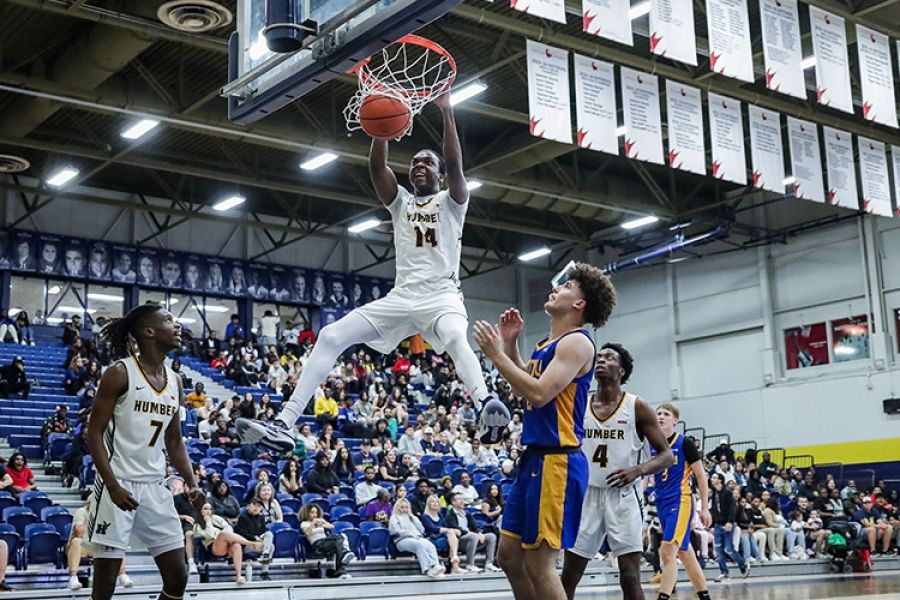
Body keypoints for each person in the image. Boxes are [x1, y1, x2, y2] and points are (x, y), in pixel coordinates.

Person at [237, 94, 510, 452]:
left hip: (441, 296)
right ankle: (284, 423)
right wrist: (382, 128)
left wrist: (446, 111)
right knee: (331, 335)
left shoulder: (452, 202)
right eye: (413, 162)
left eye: (427, 163)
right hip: (401, 297)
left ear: (440, 175)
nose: (418, 166)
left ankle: (486, 403)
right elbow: (377, 170)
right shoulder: (401, 202)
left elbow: (456, 166)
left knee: (458, 338)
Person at [472, 263, 615, 600]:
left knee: (539, 564)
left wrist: (495, 356)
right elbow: (526, 387)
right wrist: (510, 345)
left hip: (558, 463)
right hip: (535, 459)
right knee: (509, 557)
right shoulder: (548, 343)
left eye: (566, 286)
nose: (556, 288)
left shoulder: (578, 343)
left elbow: (538, 392)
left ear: (579, 304)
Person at [84, 304, 205, 600]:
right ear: (148, 332)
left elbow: (174, 441)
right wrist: (111, 485)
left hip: (155, 486)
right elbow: (93, 433)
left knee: (178, 576)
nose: (177, 326)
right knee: (105, 587)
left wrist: (191, 482)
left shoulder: (175, 380)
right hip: (118, 483)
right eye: (169, 320)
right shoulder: (119, 372)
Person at [560, 344, 674, 600]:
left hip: (624, 497)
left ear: (621, 370)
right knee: (569, 574)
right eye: (598, 356)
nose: (600, 359)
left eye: (608, 357)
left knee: (630, 576)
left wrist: (638, 470)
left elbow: (667, 456)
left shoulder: (636, 406)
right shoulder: (581, 402)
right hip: (586, 495)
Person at [67, 498, 133, 590]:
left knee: (116, 543)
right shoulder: (81, 512)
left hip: (96, 546)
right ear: (89, 504)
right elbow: (79, 532)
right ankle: (73, 578)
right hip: (80, 547)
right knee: (77, 541)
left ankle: (122, 575)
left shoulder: (103, 515)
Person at [193, 502, 266, 584]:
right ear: (200, 510)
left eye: (210, 509)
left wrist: (225, 535)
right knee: (223, 534)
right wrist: (208, 522)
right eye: (205, 509)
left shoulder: (217, 518)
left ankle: (239, 576)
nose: (208, 511)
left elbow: (229, 528)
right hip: (214, 547)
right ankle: (251, 543)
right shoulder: (197, 525)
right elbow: (210, 536)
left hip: (228, 542)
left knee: (236, 545)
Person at [388, 498, 445, 578]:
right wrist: (411, 535)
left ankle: (435, 566)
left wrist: (413, 518)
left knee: (429, 544)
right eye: (402, 507)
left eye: (406, 507)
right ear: (398, 508)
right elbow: (398, 531)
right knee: (419, 544)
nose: (405, 509)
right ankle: (427, 569)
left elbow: (421, 529)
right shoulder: (394, 517)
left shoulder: (411, 517)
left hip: (417, 538)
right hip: (401, 540)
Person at [445, 492, 500, 572]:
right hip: (459, 540)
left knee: (491, 536)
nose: (462, 501)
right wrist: (472, 534)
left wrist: (479, 533)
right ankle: (470, 564)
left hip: (471, 538)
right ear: (453, 502)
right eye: (459, 499)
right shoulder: (450, 514)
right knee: (473, 536)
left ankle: (489, 564)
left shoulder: (467, 513)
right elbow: (455, 528)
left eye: (462, 499)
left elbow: (475, 527)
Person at [710, 474, 750, 582]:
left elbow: (733, 507)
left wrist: (730, 522)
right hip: (718, 524)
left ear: (720, 480)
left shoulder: (727, 492)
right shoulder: (714, 494)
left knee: (728, 549)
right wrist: (712, 524)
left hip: (727, 524)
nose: (711, 479)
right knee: (718, 550)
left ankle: (743, 565)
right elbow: (714, 510)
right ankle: (724, 572)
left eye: (714, 478)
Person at [299, 503, 355, 577]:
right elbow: (307, 533)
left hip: (325, 541)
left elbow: (331, 526)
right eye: (312, 512)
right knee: (340, 538)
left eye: (316, 513)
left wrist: (322, 522)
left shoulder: (319, 521)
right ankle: (345, 554)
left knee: (340, 541)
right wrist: (312, 524)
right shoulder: (304, 523)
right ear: (307, 513)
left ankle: (340, 571)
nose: (315, 515)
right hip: (317, 543)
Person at [233, 498, 275, 580]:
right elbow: (241, 533)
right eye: (254, 505)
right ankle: (265, 556)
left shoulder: (261, 518)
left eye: (259, 506)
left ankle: (265, 570)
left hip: (259, 542)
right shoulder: (242, 517)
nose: (256, 508)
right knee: (270, 546)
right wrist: (255, 538)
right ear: (248, 506)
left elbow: (264, 530)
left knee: (270, 536)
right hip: (247, 544)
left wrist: (261, 538)